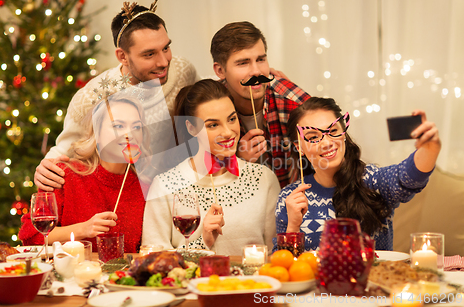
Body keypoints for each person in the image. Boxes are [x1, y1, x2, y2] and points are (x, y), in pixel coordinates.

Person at [35, 0, 199, 191]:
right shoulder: (91, 98)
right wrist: (45, 168)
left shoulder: (183, 71)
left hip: (178, 192)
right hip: (125, 198)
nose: (164, 62)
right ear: (122, 56)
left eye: (165, 48)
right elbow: (65, 151)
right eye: (149, 54)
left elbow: (209, 109)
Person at [274, 97, 441, 251]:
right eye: (313, 137)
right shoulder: (290, 198)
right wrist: (293, 227)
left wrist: (430, 148)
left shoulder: (373, 181)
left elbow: (407, 178)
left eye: (333, 131)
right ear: (299, 147)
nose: (326, 143)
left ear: (344, 133)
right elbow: (283, 268)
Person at [142, 79, 280, 255]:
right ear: (191, 128)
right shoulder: (164, 185)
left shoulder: (264, 179)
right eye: (213, 125)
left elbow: (274, 255)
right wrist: (202, 243)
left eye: (232, 119)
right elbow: (154, 260)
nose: (228, 132)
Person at [19, 90, 152, 253]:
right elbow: (30, 236)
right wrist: (83, 229)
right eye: (118, 126)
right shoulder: (64, 175)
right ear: (97, 133)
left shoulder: (146, 187)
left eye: (136, 127)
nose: (129, 134)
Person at [211, 21, 311, 188]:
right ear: (220, 71)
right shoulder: (209, 108)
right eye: (243, 63)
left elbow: (337, 150)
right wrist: (236, 160)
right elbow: (197, 177)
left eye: (261, 59)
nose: (256, 71)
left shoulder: (293, 102)